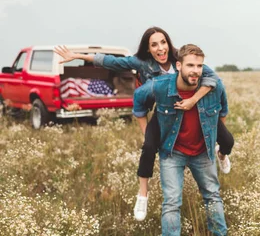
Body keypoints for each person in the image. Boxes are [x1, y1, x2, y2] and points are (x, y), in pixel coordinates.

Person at [54, 27, 235, 222]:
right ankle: (143, 195)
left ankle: (221, 154)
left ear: (169, 43)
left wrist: (193, 100)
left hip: (195, 110)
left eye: (163, 42)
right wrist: (78, 56)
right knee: (149, 146)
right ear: (148, 49)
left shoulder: (181, 59)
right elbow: (112, 62)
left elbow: (213, 79)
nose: (160, 48)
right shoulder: (141, 63)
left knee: (227, 140)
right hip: (164, 111)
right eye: (154, 44)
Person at [133, 44, 235, 236]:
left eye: (199, 66)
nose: (195, 70)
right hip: (173, 152)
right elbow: (138, 99)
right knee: (172, 202)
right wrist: (146, 132)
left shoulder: (214, 87)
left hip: (203, 151)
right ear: (178, 65)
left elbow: (222, 112)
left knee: (212, 196)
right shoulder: (160, 86)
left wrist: (214, 136)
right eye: (190, 65)